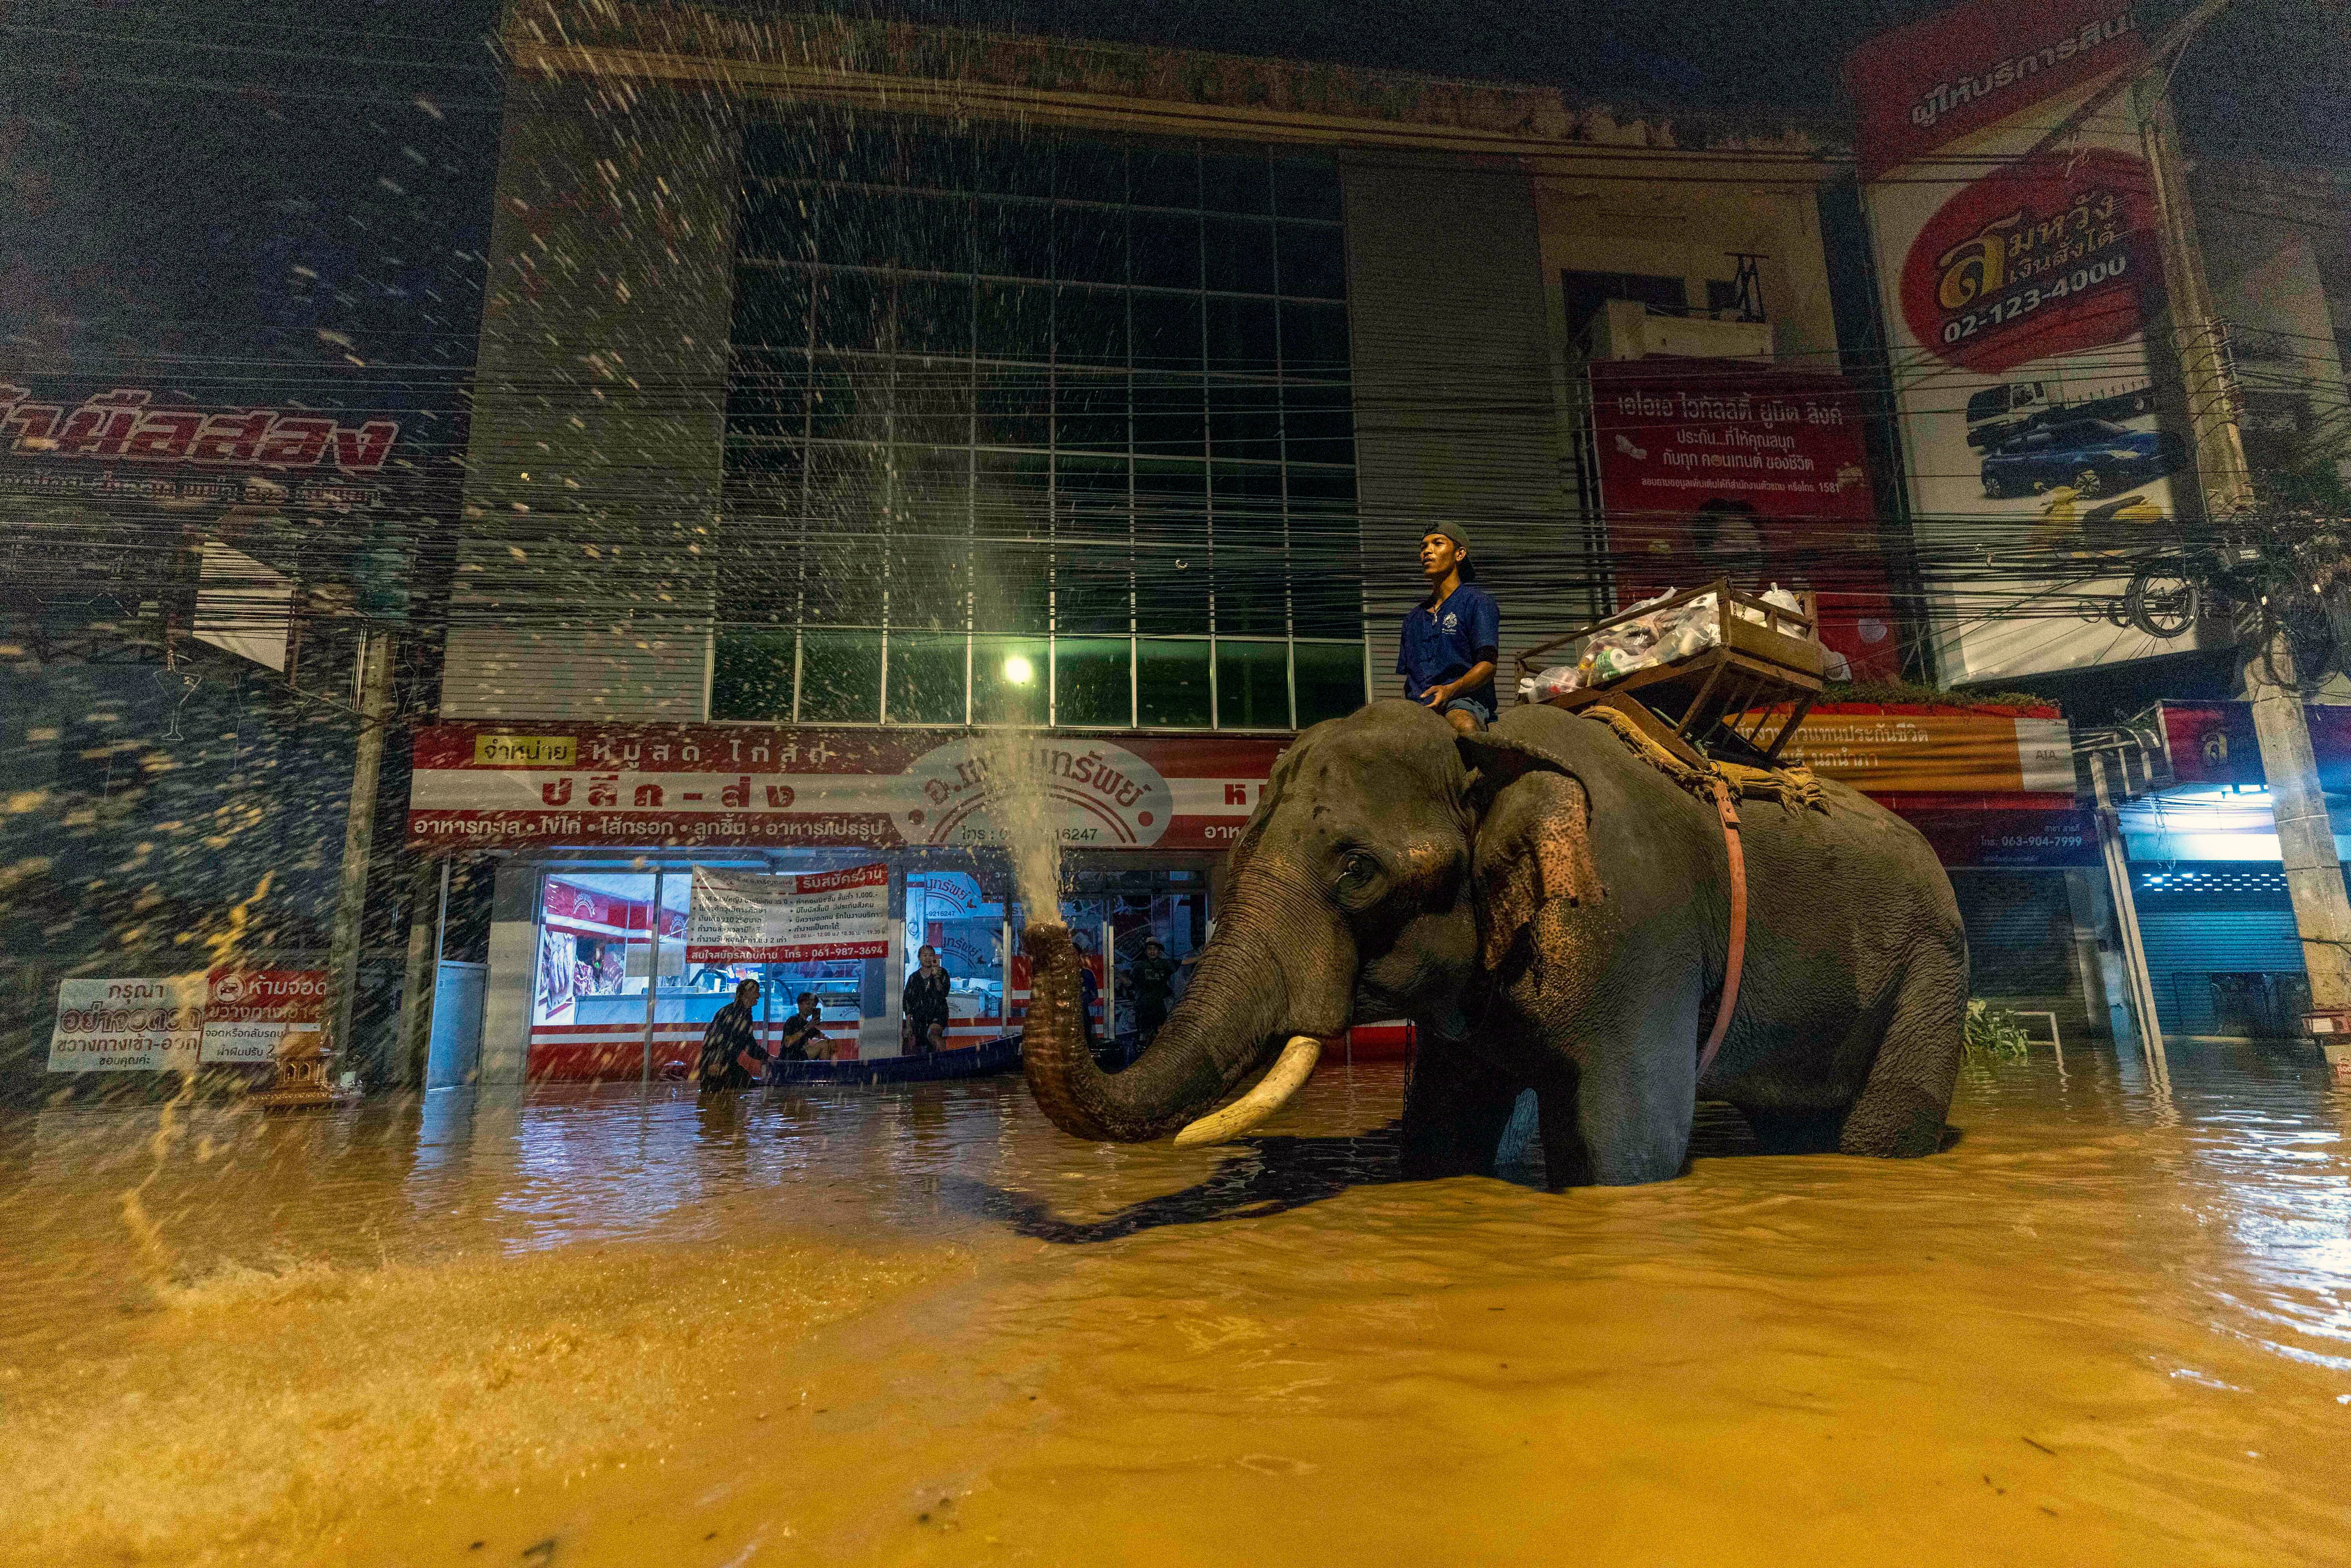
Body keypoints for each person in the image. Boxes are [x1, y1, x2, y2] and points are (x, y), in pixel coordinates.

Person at [1398, 521, 1500, 735]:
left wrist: (1450, 690)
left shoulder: (1477, 603)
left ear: (1459, 554)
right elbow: (1410, 681)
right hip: (1419, 706)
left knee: (1462, 724)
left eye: (1438, 544)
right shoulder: (1412, 620)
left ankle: (1482, 767)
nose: (1427, 551)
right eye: (1423, 547)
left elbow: (1488, 666)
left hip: (1462, 700)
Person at [695, 978, 770, 1092]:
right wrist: (715, 1062)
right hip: (717, 1065)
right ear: (747, 993)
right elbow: (716, 1039)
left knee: (746, 1086)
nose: (759, 996)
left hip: (726, 1064)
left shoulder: (744, 1013)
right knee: (719, 1098)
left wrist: (767, 1057)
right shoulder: (733, 1013)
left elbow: (748, 1043)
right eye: (756, 992)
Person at [1124, 937, 1185, 1045]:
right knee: (1144, 1036)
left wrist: (1205, 956)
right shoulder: (1140, 966)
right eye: (1149, 949)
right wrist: (1117, 973)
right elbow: (1129, 983)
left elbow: (1184, 962)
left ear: (1159, 951)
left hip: (1160, 1005)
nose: (1152, 952)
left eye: (1154, 949)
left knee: (1161, 1035)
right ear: (1146, 951)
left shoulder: (1165, 964)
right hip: (1144, 1006)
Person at [903, 945, 952, 1055]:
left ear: (935, 957)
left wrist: (936, 978)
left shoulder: (942, 973)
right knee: (923, 1048)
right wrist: (908, 1024)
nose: (928, 958)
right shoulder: (914, 978)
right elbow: (908, 1001)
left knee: (932, 1035)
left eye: (931, 955)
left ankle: (946, 1060)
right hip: (920, 1019)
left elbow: (944, 993)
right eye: (925, 955)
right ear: (919, 958)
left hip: (938, 1015)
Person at [775, 991, 830, 1062]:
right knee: (823, 1044)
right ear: (800, 1005)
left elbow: (822, 1036)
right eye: (808, 1004)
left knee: (825, 1043)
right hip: (790, 1057)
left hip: (799, 1057)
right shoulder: (793, 1020)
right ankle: (823, 1071)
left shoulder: (807, 1023)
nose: (811, 1007)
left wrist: (831, 1041)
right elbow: (788, 1043)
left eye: (813, 1005)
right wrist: (806, 1028)